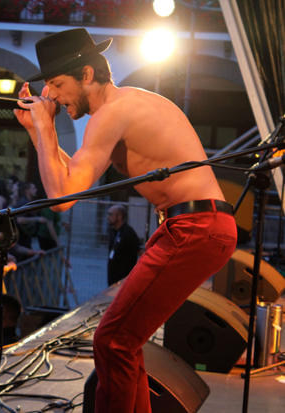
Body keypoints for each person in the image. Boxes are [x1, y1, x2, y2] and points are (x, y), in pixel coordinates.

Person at [16, 28, 237, 412]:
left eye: (56, 83)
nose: (50, 95)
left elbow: (62, 200)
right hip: (193, 228)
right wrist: (40, 134)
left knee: (113, 339)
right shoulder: (120, 108)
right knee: (124, 341)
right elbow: (73, 184)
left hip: (195, 228)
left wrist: (46, 127)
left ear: (86, 75)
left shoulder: (111, 114)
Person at [107, 205, 140, 286]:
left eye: (111, 214)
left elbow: (140, 251)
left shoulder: (128, 233)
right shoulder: (113, 232)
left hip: (124, 280)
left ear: (119, 216)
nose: (108, 217)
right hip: (113, 279)